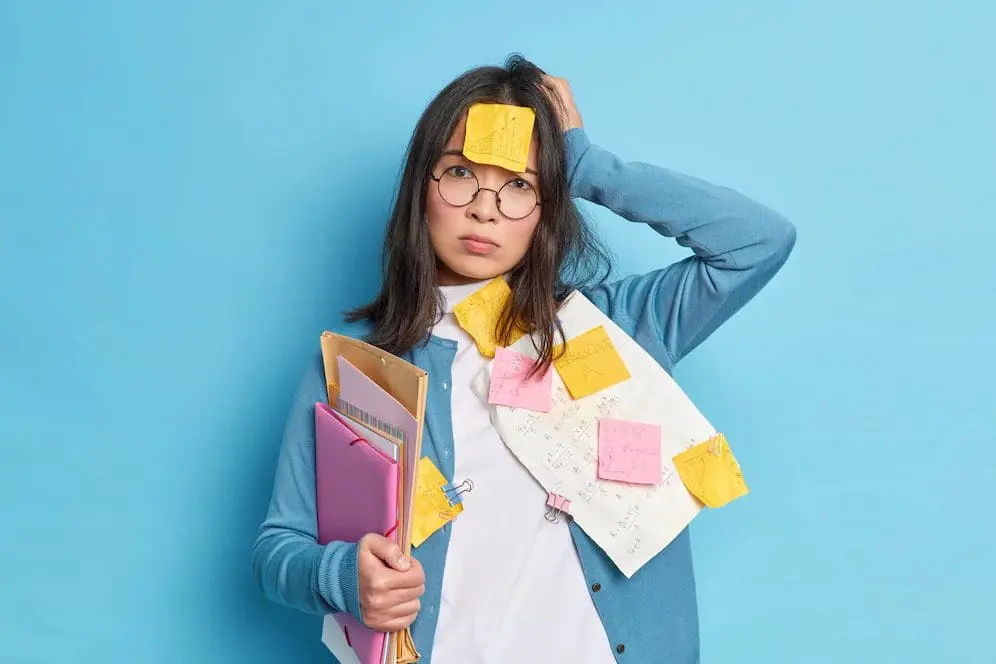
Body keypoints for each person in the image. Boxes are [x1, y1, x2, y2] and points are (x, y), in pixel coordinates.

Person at [252, 54, 796, 663]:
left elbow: (758, 242)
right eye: (459, 173)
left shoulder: (618, 330)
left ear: (547, 207)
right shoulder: (359, 369)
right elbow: (280, 546)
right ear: (420, 189)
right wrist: (342, 577)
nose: (486, 208)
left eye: (520, 185)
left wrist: (588, 167)